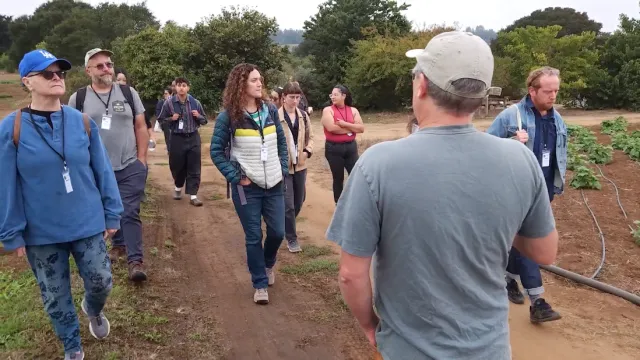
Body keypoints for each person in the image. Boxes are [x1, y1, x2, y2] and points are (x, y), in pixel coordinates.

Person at [325, 31, 559, 359]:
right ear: (480, 96)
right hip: (490, 349)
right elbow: (545, 252)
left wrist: (369, 325)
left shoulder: (378, 163)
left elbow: (351, 275)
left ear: (421, 85)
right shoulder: (519, 159)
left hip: (408, 350)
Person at [0, 49, 124, 360]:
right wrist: (11, 232)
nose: (57, 78)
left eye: (60, 73)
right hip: (41, 231)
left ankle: (92, 309)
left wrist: (112, 211)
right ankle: (73, 348)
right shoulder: (11, 128)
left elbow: (103, 170)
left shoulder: (81, 121)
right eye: (48, 74)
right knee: (55, 296)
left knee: (101, 280)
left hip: (87, 221)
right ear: (28, 81)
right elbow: (6, 185)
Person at [487, 66, 566, 324]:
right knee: (530, 243)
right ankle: (538, 302)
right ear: (532, 91)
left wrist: (555, 184)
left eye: (556, 90)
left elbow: (556, 155)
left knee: (517, 240)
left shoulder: (557, 119)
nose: (553, 95)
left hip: (543, 190)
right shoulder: (512, 116)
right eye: (547, 91)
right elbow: (486, 147)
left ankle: (509, 280)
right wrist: (512, 142)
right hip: (516, 189)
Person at [68, 48, 150, 282]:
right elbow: (73, 134)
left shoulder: (128, 92)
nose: (107, 69)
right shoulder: (79, 98)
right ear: (88, 71)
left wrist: (141, 160)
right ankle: (117, 245)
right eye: (100, 66)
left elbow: (140, 126)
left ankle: (136, 261)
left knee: (130, 211)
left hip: (129, 165)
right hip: (96, 170)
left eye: (109, 64)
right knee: (105, 211)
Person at [210, 63, 288, 305]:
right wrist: (236, 177)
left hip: (274, 183)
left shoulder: (271, 111)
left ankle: (267, 263)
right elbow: (216, 152)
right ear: (240, 84)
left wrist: (283, 169)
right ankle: (259, 283)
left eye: (260, 79)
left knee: (277, 232)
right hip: (247, 188)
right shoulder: (228, 117)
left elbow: (281, 144)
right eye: (254, 80)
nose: (259, 83)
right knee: (253, 236)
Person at [157, 77, 208, 206]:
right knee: (177, 166)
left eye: (184, 85)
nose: (181, 88)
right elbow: (161, 120)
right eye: (179, 85)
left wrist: (199, 116)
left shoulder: (195, 103)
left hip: (193, 137)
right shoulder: (169, 103)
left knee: (194, 166)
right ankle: (178, 187)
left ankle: (193, 195)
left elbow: (205, 121)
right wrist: (171, 119)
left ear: (188, 88)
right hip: (177, 138)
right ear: (175, 87)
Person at [278, 82, 315, 253]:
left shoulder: (303, 116)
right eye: (291, 97)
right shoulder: (275, 116)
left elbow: (311, 137)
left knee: (299, 201)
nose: (295, 101)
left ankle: (286, 223)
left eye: (297, 97)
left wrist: (307, 151)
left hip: (300, 166)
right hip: (283, 167)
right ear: (283, 97)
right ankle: (291, 238)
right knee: (289, 204)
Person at [321, 84, 364, 204]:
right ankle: (339, 204)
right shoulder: (328, 110)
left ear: (343, 96)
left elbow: (361, 128)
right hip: (334, 149)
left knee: (356, 175)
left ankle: (356, 201)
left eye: (336, 94)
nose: (332, 97)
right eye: (331, 95)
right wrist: (352, 128)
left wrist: (345, 124)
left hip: (351, 147)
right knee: (338, 178)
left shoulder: (353, 110)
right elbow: (331, 128)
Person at [156, 87, 172, 154]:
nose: (165, 95)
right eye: (164, 94)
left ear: (171, 94)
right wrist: (161, 122)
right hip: (165, 123)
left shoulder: (174, 102)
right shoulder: (161, 102)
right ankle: (169, 150)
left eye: (166, 93)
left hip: (174, 123)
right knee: (168, 137)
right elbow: (158, 113)